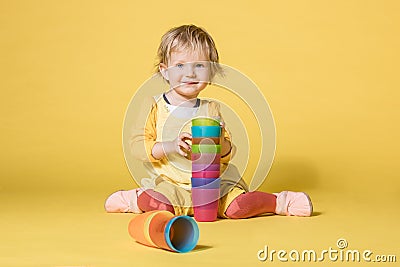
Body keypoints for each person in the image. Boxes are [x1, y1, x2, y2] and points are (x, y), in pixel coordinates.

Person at [105, 24, 313, 218]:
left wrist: (218, 142)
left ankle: (280, 202)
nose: (190, 73)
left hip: (214, 183)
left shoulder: (210, 109)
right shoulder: (154, 106)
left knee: (238, 207)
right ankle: (133, 198)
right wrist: (170, 146)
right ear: (164, 70)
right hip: (172, 183)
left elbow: (227, 154)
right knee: (161, 207)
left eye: (199, 65)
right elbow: (137, 146)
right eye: (180, 65)